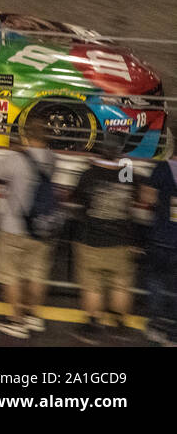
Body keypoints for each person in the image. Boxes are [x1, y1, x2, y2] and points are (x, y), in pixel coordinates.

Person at [67, 132, 140, 344]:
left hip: (91, 240)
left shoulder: (89, 174)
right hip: (122, 240)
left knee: (92, 286)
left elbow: (78, 200)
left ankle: (93, 325)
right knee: (120, 286)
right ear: (120, 151)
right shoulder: (127, 174)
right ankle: (120, 325)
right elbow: (138, 198)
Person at [0, 115, 56, 339]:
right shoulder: (52, 158)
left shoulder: (16, 159)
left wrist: (16, 151)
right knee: (36, 274)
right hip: (41, 226)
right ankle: (32, 316)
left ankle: (17, 320)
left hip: (13, 227)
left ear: (26, 135)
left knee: (11, 275)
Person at [139, 151, 177, 345]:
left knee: (155, 279)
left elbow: (147, 198)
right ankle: (173, 332)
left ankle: (156, 323)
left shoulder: (162, 168)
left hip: (161, 236)